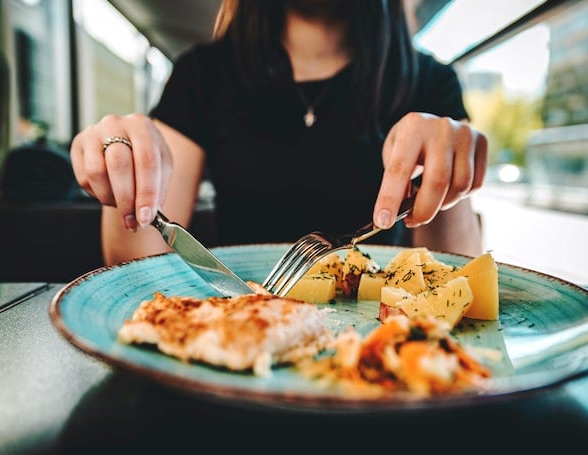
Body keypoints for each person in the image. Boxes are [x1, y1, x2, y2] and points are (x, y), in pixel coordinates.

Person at [70, 0, 488, 266]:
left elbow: (458, 274)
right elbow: (139, 260)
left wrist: (448, 175)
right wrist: (123, 163)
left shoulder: (430, 83)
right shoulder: (204, 75)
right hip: (241, 332)